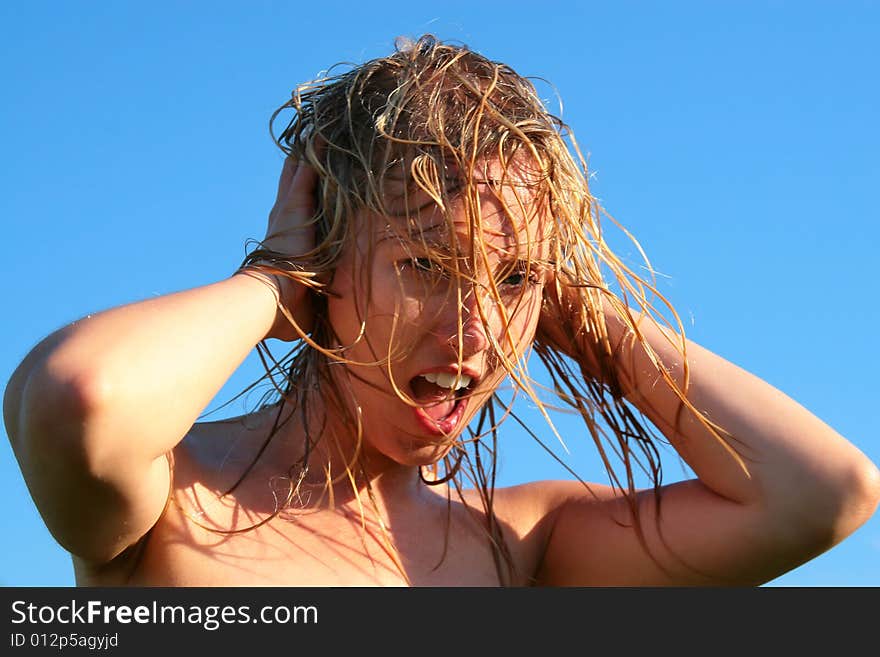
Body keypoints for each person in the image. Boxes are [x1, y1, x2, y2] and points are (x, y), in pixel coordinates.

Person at [4, 35, 879, 587]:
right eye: (425, 263)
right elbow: (79, 396)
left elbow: (824, 493)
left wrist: (589, 319)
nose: (472, 335)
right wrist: (272, 281)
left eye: (511, 283)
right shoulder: (174, 495)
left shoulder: (521, 541)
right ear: (326, 254)